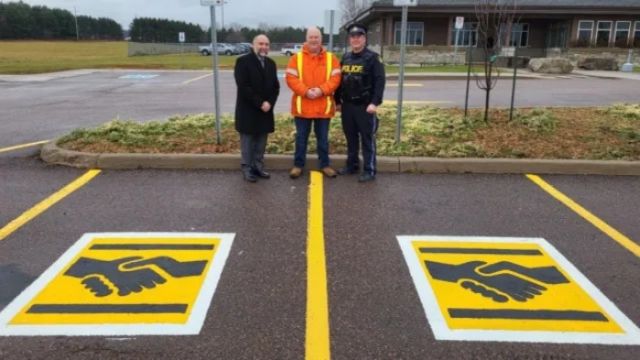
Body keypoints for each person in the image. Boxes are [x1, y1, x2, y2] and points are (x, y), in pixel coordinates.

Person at [285, 26, 342, 179]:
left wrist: (321, 90)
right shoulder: (296, 58)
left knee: (323, 140)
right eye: (311, 37)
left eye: (316, 37)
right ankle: (298, 165)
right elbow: (291, 79)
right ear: (306, 38)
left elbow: (335, 79)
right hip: (302, 107)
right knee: (301, 139)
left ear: (321, 39)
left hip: (323, 108)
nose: (314, 40)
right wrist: (306, 91)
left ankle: (325, 165)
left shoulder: (332, 58)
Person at [335, 23, 385, 182]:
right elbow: (339, 81)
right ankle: (352, 165)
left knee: (367, 139)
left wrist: (374, 103)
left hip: (365, 106)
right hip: (348, 106)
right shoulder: (345, 57)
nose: (356, 39)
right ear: (350, 39)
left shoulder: (373, 58)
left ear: (364, 38)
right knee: (350, 138)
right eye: (353, 36)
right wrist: (337, 101)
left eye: (359, 36)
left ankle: (370, 170)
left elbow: (380, 81)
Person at [234, 34, 280, 182]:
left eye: (266, 44)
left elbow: (275, 87)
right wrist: (260, 103)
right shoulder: (243, 62)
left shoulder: (271, 63)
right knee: (247, 141)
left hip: (266, 110)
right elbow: (243, 86)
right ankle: (247, 168)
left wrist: (269, 103)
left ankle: (258, 167)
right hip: (248, 109)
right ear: (253, 45)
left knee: (261, 141)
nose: (263, 47)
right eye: (260, 44)